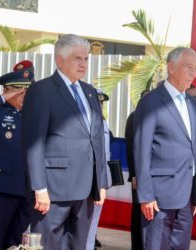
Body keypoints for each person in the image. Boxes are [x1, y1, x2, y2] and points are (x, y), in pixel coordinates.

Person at [22, 34, 108, 249]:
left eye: (86, 59)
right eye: (77, 58)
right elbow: (33, 143)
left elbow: (96, 139)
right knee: (49, 245)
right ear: (60, 60)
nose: (83, 64)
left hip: (86, 189)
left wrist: (101, 182)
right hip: (53, 190)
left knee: (78, 245)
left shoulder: (90, 92)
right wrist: (39, 188)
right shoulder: (41, 91)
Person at [133, 47, 196, 250]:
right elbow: (142, 150)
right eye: (189, 67)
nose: (194, 73)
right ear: (171, 67)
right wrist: (146, 195)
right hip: (159, 196)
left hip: (187, 196)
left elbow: (195, 147)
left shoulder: (191, 102)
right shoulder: (151, 102)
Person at [0, 69, 33, 250]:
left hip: (26, 189)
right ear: (7, 90)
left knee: (15, 242)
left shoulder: (32, 114)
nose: (24, 95)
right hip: (1, 188)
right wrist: (1, 99)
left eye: (27, 91)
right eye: (19, 90)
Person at [86, 89, 113, 250]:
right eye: (98, 102)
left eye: (102, 103)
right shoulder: (85, 121)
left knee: (92, 225)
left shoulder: (103, 122)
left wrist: (103, 183)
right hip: (87, 180)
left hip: (100, 180)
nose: (101, 106)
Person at [125, 89, 149, 250]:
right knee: (137, 213)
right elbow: (131, 148)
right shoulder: (134, 117)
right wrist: (134, 174)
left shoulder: (153, 117)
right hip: (137, 176)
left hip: (149, 176)